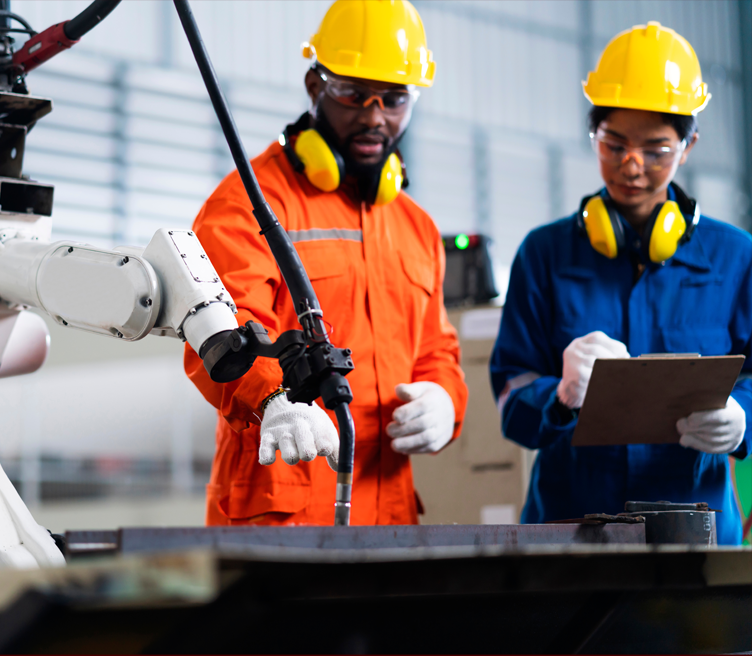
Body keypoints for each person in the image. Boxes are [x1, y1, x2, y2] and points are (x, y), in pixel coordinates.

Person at [182, 0, 465, 526]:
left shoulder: (417, 227)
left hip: (388, 519)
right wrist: (271, 398)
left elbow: (436, 350)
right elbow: (215, 327)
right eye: (354, 94)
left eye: (395, 99)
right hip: (278, 517)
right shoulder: (251, 201)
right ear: (316, 86)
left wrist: (446, 400)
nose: (374, 116)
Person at [490, 21, 748, 545]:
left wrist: (743, 417)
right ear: (595, 136)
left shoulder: (735, 256)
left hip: (693, 535)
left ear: (688, 145)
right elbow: (510, 398)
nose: (633, 167)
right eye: (615, 145)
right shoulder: (544, 255)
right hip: (567, 531)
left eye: (656, 150)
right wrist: (559, 396)